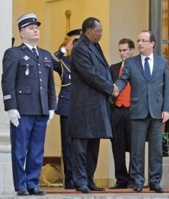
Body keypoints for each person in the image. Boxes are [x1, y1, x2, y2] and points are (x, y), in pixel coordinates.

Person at [1, 13, 58, 196]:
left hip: (41, 109)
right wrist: (11, 107)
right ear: (22, 33)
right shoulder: (14, 53)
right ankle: (21, 185)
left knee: (36, 150)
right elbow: (7, 81)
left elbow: (50, 84)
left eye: (37, 27)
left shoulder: (45, 55)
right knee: (20, 149)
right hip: (23, 109)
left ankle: (33, 183)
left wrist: (51, 107)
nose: (36, 30)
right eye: (31, 27)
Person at [114, 30, 169, 193]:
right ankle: (137, 180)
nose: (139, 43)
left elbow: (167, 86)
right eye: (138, 40)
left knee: (155, 149)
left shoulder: (162, 62)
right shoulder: (131, 63)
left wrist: (167, 108)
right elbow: (123, 79)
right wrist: (115, 88)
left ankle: (154, 181)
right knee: (137, 149)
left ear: (152, 44)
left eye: (143, 40)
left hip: (157, 111)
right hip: (138, 110)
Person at [68, 17, 117, 194]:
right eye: (99, 30)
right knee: (81, 145)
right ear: (89, 31)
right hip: (83, 105)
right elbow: (90, 74)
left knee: (93, 144)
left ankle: (89, 179)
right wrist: (110, 87)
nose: (102, 33)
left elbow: (103, 70)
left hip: (96, 104)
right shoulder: (80, 48)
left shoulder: (95, 46)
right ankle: (80, 180)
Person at [52, 28, 81, 189]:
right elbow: (50, 62)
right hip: (67, 107)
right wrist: (65, 49)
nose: (77, 45)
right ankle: (70, 180)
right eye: (74, 41)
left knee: (84, 144)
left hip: (83, 107)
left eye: (80, 41)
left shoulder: (89, 60)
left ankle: (83, 178)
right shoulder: (64, 62)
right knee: (68, 145)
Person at [109, 38, 135, 189]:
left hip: (132, 111)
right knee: (117, 146)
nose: (122, 53)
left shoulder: (138, 67)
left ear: (132, 51)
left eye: (125, 50)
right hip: (117, 110)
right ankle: (121, 179)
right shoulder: (113, 68)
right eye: (120, 50)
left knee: (134, 146)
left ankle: (133, 179)